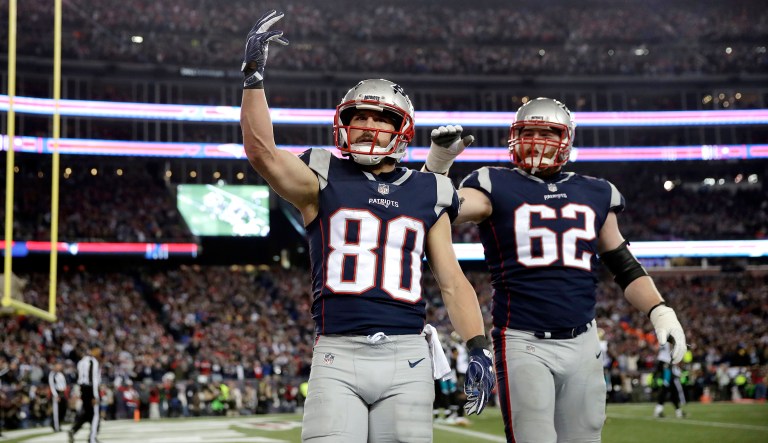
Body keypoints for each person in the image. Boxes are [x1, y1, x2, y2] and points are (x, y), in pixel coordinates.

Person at [239, 10, 495, 442]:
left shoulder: (428, 189)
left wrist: (478, 347)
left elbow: (452, 280)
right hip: (338, 351)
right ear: (344, 121)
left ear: (403, 131)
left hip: (408, 356)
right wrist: (252, 77)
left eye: (382, 120)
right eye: (360, 117)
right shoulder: (320, 173)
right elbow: (262, 152)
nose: (368, 126)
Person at [423, 97, 688, 442]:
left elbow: (623, 264)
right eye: (528, 132)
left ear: (566, 139)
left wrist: (660, 310)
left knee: (586, 435)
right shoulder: (492, 183)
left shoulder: (596, 191)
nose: (536, 141)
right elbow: (436, 208)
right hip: (522, 339)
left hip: (583, 340)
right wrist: (438, 166)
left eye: (546, 132)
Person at [69, 346, 101, 443]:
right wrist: (95, 395)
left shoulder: (81, 361)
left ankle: (74, 430)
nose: (98, 352)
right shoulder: (93, 362)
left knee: (88, 414)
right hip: (91, 389)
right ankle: (92, 438)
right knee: (95, 414)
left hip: (83, 389)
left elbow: (79, 379)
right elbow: (93, 380)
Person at [653, 343, 686, 418]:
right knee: (667, 387)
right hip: (666, 364)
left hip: (662, 363)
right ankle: (659, 410)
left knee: (671, 387)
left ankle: (677, 411)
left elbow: (657, 349)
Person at [48, 361, 68, 432]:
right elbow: (52, 386)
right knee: (56, 411)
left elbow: (64, 383)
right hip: (57, 393)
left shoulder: (60, 374)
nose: (60, 367)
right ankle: (56, 426)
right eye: (58, 365)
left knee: (63, 409)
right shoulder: (52, 374)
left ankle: (58, 423)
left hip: (62, 393)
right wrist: (56, 395)